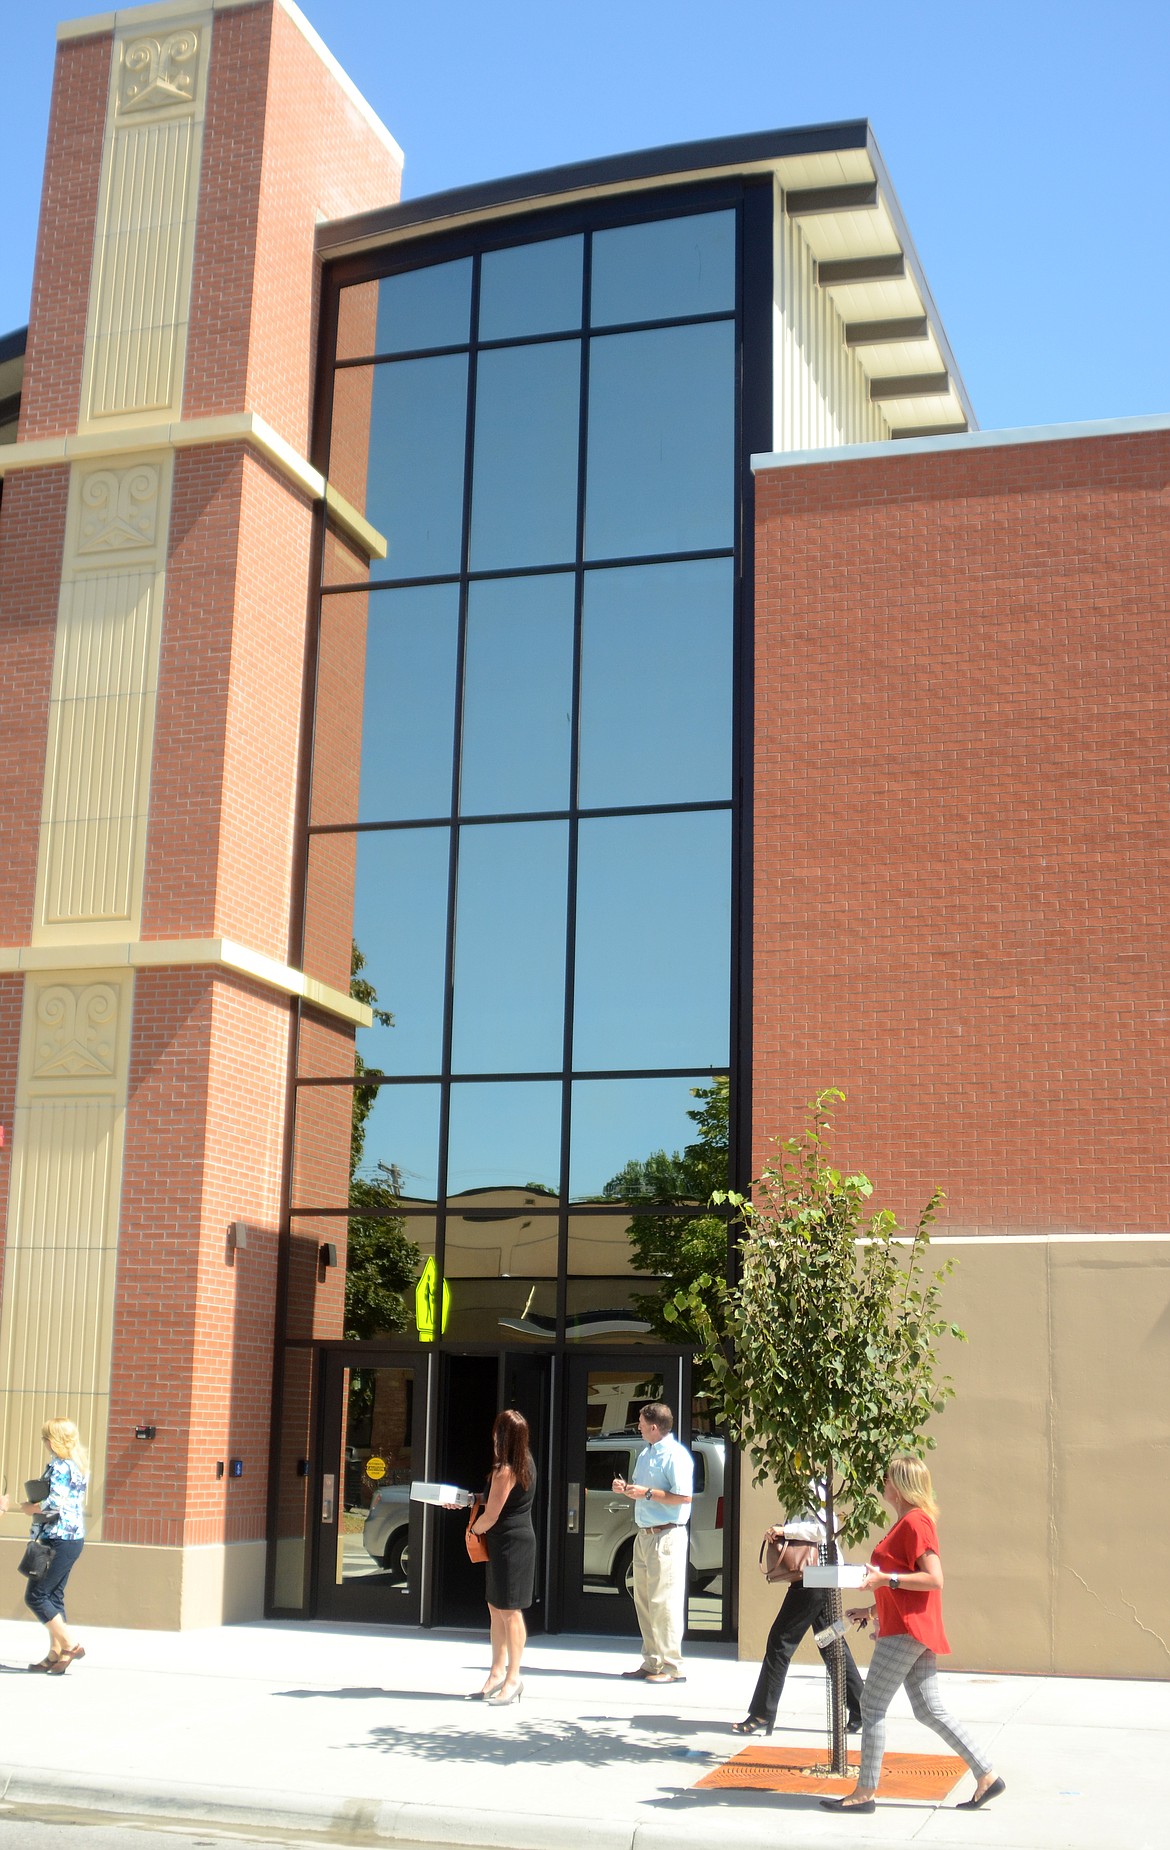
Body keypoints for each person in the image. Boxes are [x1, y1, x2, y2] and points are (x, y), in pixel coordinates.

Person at [821, 1454, 1005, 1816]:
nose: (884, 1484)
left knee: (871, 1706)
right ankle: (986, 1775)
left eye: (889, 1479)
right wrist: (872, 1609)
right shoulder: (906, 1521)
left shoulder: (916, 1523)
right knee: (930, 1710)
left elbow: (933, 1579)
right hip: (909, 1626)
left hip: (907, 1630)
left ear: (901, 1486)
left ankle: (864, 1793)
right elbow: (901, 1581)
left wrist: (883, 1580)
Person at [733, 1482, 863, 1736]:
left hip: (815, 1576)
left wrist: (786, 1530)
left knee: (780, 1640)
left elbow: (828, 1528)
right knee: (830, 1642)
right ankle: (862, 1708)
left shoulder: (816, 1486)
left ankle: (762, 1713)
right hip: (814, 1576)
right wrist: (781, 1532)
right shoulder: (798, 1486)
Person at [613, 1402, 693, 1685]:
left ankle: (672, 1667)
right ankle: (652, 1662)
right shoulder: (646, 1453)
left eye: (641, 1423)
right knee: (644, 1600)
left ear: (654, 1427)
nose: (638, 1426)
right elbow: (644, 1493)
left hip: (667, 1535)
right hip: (644, 1534)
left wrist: (646, 1493)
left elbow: (684, 1497)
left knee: (665, 1602)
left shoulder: (676, 1456)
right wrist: (627, 1491)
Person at [466, 1408, 537, 1707]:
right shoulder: (524, 1463)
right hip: (508, 1541)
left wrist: (472, 1529)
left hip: (510, 1543)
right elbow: (498, 1502)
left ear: (502, 1435)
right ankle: (496, 1673)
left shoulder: (506, 1469)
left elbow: (492, 1515)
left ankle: (513, 1677)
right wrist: (471, 1501)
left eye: (497, 1431)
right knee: (496, 1607)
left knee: (510, 1611)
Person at [20, 1417, 89, 1675]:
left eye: (46, 1438)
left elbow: (53, 1504)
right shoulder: (78, 1464)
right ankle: (55, 1654)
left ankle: (70, 1644)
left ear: (53, 1440)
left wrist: (30, 1508)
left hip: (59, 1537)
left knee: (36, 1596)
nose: (45, 1442)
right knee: (53, 1596)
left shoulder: (61, 1467)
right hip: (71, 1538)